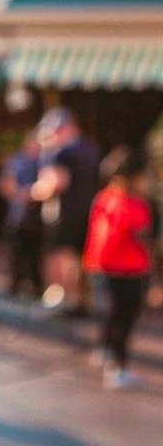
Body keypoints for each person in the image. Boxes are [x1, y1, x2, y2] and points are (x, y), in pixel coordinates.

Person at [82, 155, 156, 389]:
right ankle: (117, 366)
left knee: (112, 315)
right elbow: (141, 236)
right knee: (123, 318)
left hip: (104, 267)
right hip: (127, 269)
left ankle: (106, 353)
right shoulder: (131, 204)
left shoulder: (104, 199)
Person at [30, 106, 101, 316]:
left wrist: (32, 191)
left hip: (63, 214)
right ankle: (82, 300)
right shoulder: (91, 149)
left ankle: (63, 299)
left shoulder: (61, 153)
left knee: (61, 257)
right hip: (88, 211)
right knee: (81, 258)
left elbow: (54, 183)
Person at [0, 134, 44, 299]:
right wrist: (22, 195)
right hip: (18, 215)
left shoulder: (44, 161)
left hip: (39, 217)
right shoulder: (16, 161)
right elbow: (5, 184)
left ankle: (37, 286)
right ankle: (16, 284)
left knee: (37, 253)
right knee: (17, 251)